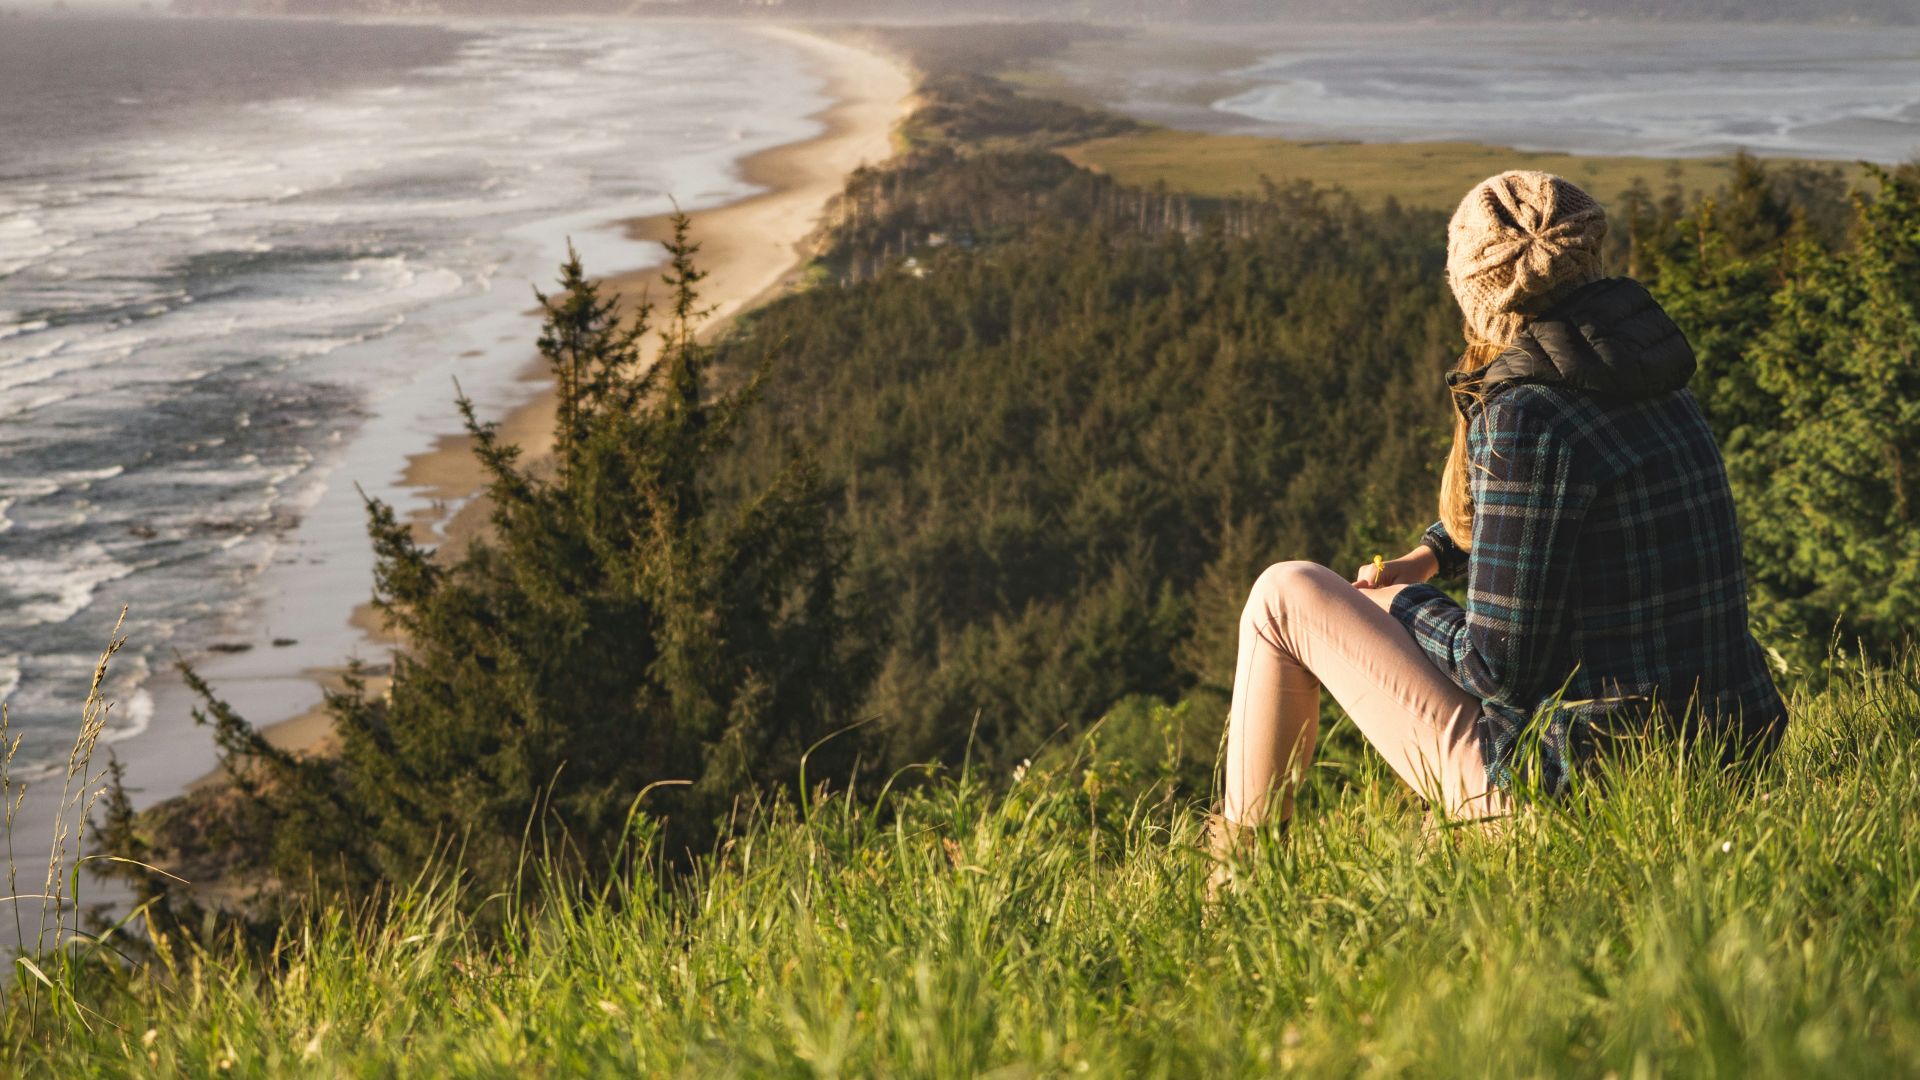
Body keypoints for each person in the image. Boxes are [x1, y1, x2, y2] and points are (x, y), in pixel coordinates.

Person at [1208, 171, 1787, 876]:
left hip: (1589, 797)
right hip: (1729, 761)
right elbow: (1552, 519)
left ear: (1474, 287)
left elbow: (1498, 670)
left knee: (1282, 594)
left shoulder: (1529, 416)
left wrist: (1403, 603)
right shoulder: (1653, 377)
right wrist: (1430, 555)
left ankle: (1234, 879)